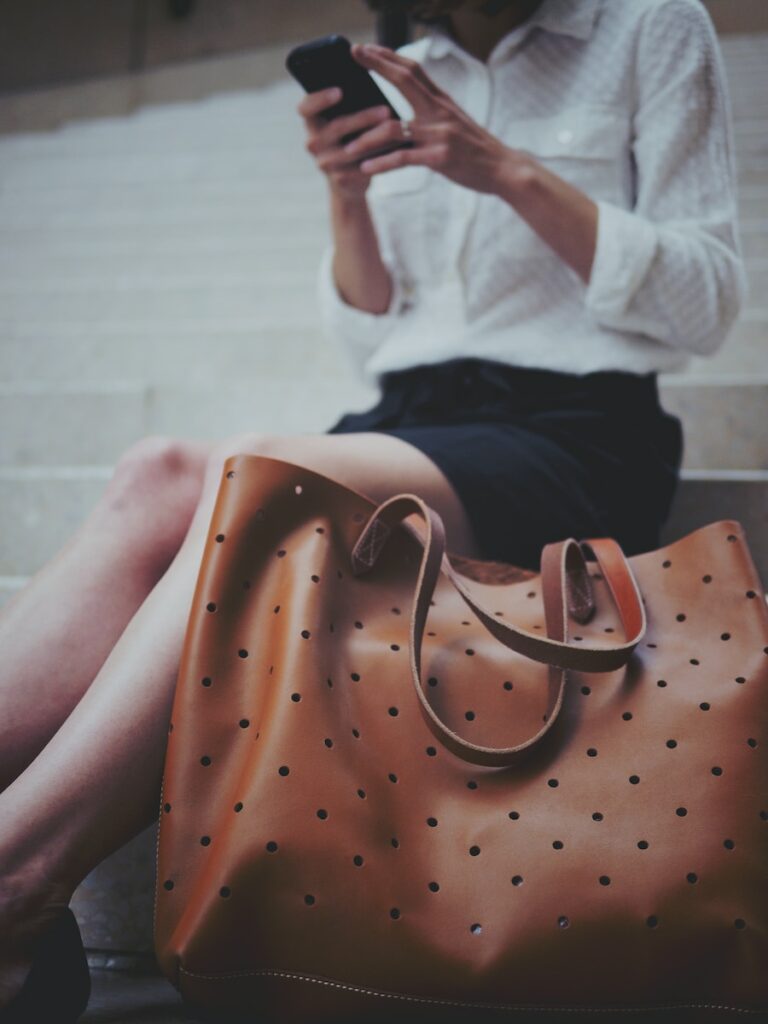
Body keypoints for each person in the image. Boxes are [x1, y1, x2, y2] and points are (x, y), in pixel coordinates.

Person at [0, 0, 745, 1019]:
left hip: (566, 431)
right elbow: (374, 335)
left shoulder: (651, 27)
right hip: (403, 414)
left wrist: (505, 171)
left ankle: (17, 881)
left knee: (260, 469)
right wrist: (348, 192)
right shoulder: (409, 60)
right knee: (157, 471)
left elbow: (705, 304)